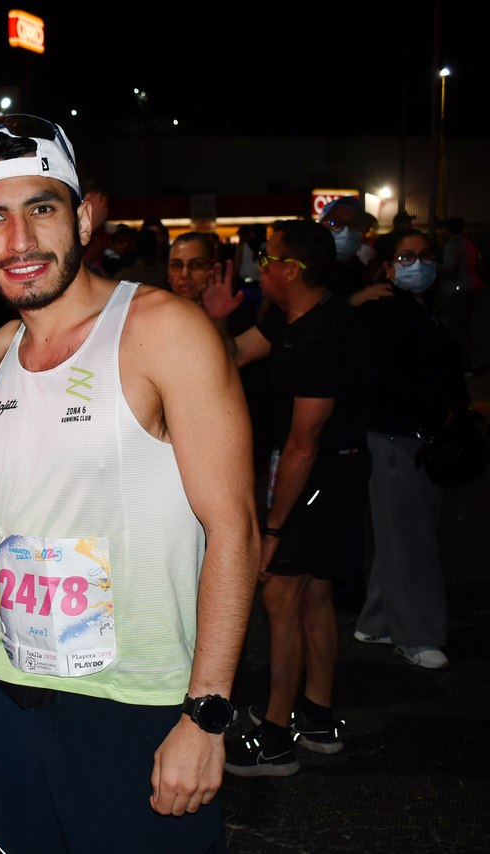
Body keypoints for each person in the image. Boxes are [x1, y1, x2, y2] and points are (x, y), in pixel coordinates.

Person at [0, 115, 256, 853]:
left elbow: (235, 529)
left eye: (42, 209)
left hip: (139, 706)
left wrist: (207, 714)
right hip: (16, 694)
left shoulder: (163, 329)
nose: (19, 242)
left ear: (86, 214)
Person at [205, 219, 370, 776]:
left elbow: (304, 443)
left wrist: (272, 528)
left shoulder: (321, 335)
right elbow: (230, 357)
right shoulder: (294, 319)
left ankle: (275, 737)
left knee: (279, 600)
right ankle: (317, 719)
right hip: (328, 475)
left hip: (319, 478)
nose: (260, 268)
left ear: (292, 270)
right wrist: (221, 316)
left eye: (268, 259)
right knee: (313, 599)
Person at [353, 231, 465, 668]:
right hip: (398, 438)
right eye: (405, 256)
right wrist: (439, 414)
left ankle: (378, 621)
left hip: (410, 436)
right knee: (410, 538)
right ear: (387, 266)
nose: (417, 263)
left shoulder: (417, 308)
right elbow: (386, 380)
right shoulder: (383, 311)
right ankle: (415, 635)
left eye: (424, 256)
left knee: (401, 535)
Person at [435, 217, 480, 372]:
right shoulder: (469, 243)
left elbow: (449, 266)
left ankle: (463, 365)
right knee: (464, 327)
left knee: (457, 328)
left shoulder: (452, 244)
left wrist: (429, 266)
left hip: (457, 289)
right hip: (472, 287)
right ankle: (465, 362)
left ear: (448, 229)